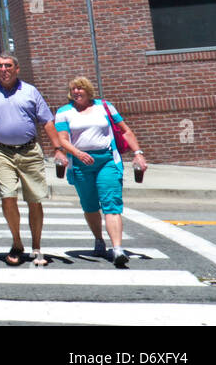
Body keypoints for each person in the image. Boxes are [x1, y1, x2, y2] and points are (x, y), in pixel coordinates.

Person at [0, 53, 63, 266]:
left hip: (29, 151)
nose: (4, 69)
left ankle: (37, 247)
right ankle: (17, 243)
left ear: (17, 68)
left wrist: (58, 148)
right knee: (7, 196)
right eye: (0, 66)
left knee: (34, 200)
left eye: (8, 65)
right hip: (1, 152)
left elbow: (47, 122)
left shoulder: (30, 92)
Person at [52, 76, 148, 269]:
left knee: (111, 202)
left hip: (107, 160)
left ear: (88, 90)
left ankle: (118, 249)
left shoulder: (104, 106)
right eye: (73, 89)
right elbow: (62, 139)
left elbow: (125, 131)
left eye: (80, 88)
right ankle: (98, 240)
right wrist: (77, 154)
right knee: (89, 205)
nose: (77, 92)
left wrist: (138, 154)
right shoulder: (64, 112)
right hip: (80, 163)